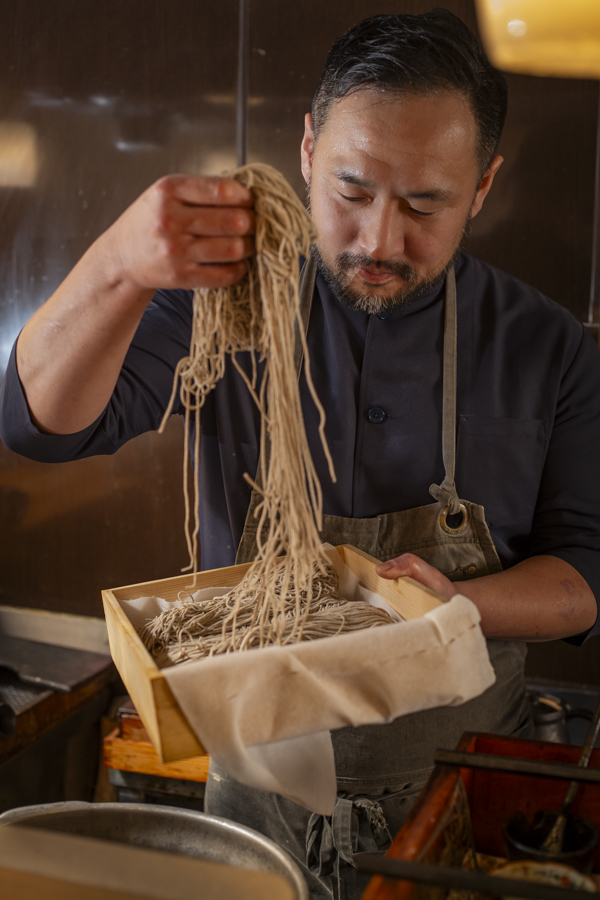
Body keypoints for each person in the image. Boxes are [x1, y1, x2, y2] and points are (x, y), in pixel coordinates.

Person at [2, 9, 600, 899]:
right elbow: (39, 425)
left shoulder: (549, 349)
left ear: (483, 186)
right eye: (353, 191)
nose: (379, 242)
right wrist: (121, 266)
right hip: (259, 780)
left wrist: (457, 604)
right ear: (310, 149)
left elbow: (586, 573)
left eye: (426, 204)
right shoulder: (223, 303)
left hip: (457, 781)